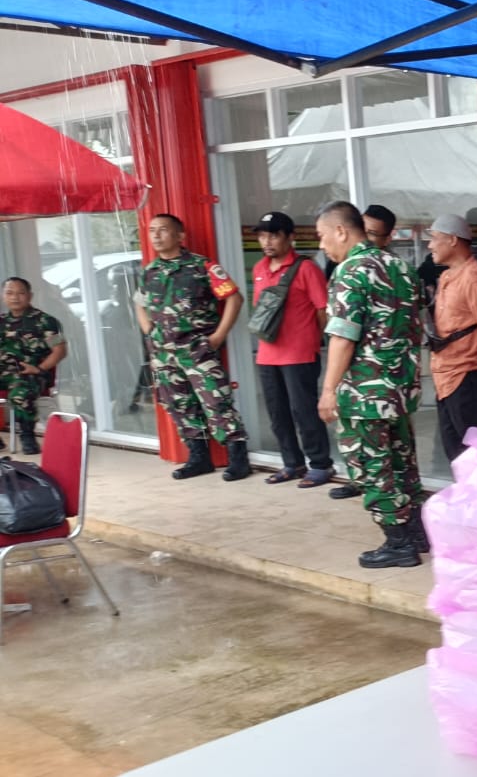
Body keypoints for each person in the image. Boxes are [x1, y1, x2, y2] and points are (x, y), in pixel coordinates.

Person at [315, 200, 426, 568]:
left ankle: (398, 542)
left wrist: (329, 390)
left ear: (341, 231)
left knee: (370, 465)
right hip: (400, 388)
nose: (322, 245)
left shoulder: (349, 271)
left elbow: (343, 336)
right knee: (402, 461)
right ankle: (417, 533)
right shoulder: (400, 266)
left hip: (365, 392)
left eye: (322, 236)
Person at [134, 213, 253, 481]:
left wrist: (219, 335)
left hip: (197, 350)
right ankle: (199, 458)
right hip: (164, 354)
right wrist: (148, 330)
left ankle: (238, 459)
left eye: (163, 230)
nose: (156, 235)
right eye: (152, 230)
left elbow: (234, 298)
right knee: (179, 405)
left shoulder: (202, 266)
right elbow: (139, 303)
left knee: (217, 401)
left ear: (180, 236)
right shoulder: (149, 271)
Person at [250, 211, 334, 487]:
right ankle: (292, 463)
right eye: (263, 236)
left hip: (299, 354)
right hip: (267, 354)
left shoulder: (306, 268)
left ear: (290, 237)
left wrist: (314, 341)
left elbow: (323, 310)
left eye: (274, 235)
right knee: (278, 414)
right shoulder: (259, 268)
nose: (267, 242)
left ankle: (320, 464)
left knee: (304, 411)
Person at [426, 213, 477, 461]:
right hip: (445, 375)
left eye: (434, 238)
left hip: (467, 374)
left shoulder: (474, 277)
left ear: (453, 240)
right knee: (455, 451)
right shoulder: (447, 276)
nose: (430, 245)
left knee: (473, 452)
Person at [0, 277, 67, 455]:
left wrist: (39, 369)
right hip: (5, 372)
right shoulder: (1, 321)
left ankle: (27, 436)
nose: (15, 297)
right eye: (9, 293)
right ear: (3, 296)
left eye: (20, 293)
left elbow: (60, 351)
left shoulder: (45, 321)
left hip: (33, 373)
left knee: (20, 390)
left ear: (30, 296)